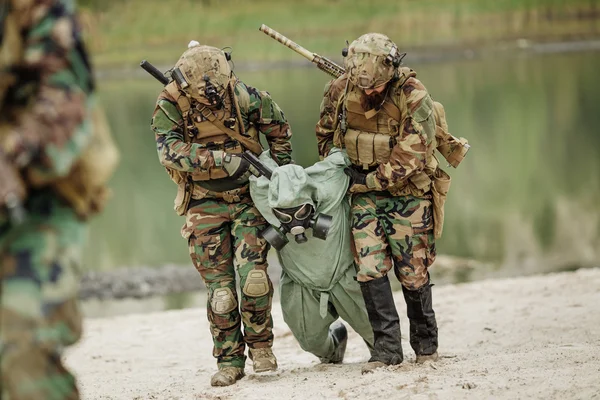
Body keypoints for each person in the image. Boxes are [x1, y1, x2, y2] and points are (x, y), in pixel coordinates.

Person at [315, 33, 467, 373]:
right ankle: (386, 350)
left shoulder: (414, 95)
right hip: (362, 195)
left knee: (413, 274)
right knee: (369, 269)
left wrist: (369, 180)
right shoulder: (341, 89)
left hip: (407, 194)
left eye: (375, 89)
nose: (369, 93)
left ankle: (426, 346)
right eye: (364, 88)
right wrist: (341, 172)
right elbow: (325, 134)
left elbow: (412, 153)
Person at [150, 42, 293, 386]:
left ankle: (261, 349)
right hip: (203, 202)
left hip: (247, 199)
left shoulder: (245, 96)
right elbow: (168, 151)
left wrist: (281, 180)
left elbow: (280, 132)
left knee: (255, 279)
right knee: (221, 291)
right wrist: (220, 160)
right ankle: (229, 360)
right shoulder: (171, 103)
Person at [0, 0, 117, 398]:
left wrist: (14, 152)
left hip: (37, 198)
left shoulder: (33, 9)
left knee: (20, 346)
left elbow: (65, 100)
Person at [249, 148, 374, 364]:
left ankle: (380, 350)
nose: (294, 223)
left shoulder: (331, 186)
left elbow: (341, 155)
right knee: (310, 341)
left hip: (345, 276)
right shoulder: (264, 194)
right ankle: (335, 348)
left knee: (381, 336)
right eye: (284, 215)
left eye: (301, 213)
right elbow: (258, 159)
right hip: (302, 285)